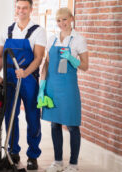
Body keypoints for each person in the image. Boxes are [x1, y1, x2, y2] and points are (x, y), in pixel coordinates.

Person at [0, 0, 46, 170]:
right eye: (18, 7)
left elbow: (38, 57)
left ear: (30, 10)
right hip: (9, 80)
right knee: (10, 116)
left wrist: (25, 72)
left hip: (28, 79)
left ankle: (32, 155)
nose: (21, 10)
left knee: (32, 117)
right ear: (15, 9)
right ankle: (13, 151)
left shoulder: (38, 31)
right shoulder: (8, 30)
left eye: (25, 8)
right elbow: (1, 55)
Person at [39, 8, 89, 172]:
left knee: (73, 125)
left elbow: (85, 66)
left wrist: (71, 59)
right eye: (58, 20)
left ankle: (73, 164)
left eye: (64, 20)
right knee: (55, 125)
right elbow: (46, 63)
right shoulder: (52, 39)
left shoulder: (78, 40)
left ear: (71, 19)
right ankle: (58, 162)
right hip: (52, 87)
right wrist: (42, 87)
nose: (61, 24)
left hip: (68, 88)